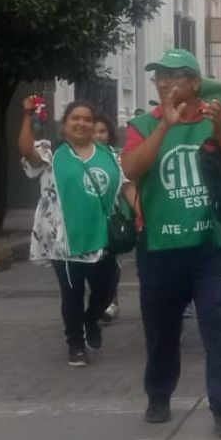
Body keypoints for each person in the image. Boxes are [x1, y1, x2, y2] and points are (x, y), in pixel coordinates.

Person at [122, 48, 221, 439]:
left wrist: (217, 132)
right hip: (159, 249)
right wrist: (165, 125)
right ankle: (159, 395)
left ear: (195, 83)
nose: (165, 82)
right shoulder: (143, 124)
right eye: (160, 76)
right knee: (161, 329)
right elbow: (130, 168)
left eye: (175, 75)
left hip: (211, 247)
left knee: (218, 325)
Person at [19, 98, 133, 366]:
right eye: (75, 118)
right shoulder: (53, 153)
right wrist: (26, 115)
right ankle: (75, 344)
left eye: (87, 119)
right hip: (64, 242)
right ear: (65, 124)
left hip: (103, 239)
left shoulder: (111, 157)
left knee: (106, 291)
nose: (82, 123)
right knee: (71, 295)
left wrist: (141, 215)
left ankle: (90, 320)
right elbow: (26, 150)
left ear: (94, 126)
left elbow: (128, 187)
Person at [92, 113, 124, 324]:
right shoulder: (75, 157)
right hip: (86, 220)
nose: (97, 135)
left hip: (111, 218)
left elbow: (128, 184)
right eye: (94, 131)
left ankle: (111, 300)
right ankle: (98, 301)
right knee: (91, 266)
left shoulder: (117, 157)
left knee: (110, 262)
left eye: (102, 131)